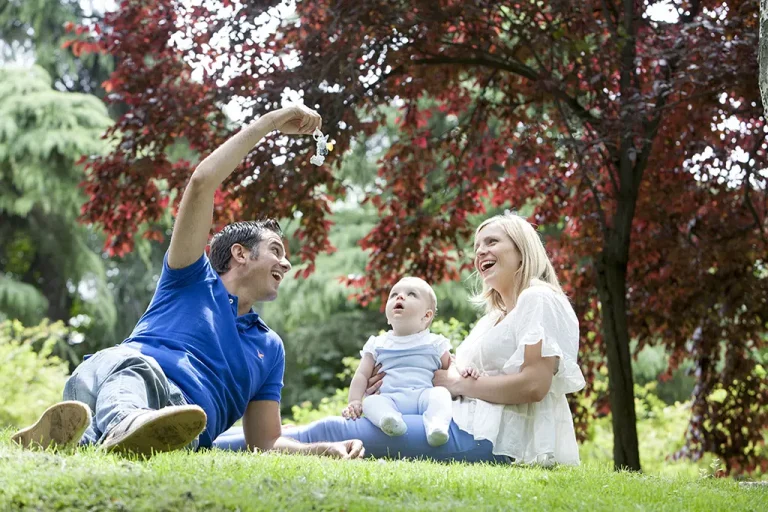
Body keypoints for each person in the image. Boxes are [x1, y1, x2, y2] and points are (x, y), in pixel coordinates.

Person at [11, 105, 364, 459]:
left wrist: (324, 449)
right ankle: (124, 424)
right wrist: (270, 123)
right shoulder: (189, 278)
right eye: (275, 250)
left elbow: (266, 441)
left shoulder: (270, 348)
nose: (286, 263)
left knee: (113, 398)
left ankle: (70, 443)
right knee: (127, 366)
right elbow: (202, 182)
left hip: (180, 423)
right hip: (116, 377)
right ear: (240, 254)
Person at [214, 213, 586, 465]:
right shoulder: (494, 319)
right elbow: (447, 377)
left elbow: (534, 385)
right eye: (477, 246)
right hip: (462, 419)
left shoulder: (538, 298)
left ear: (522, 249)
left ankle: (206, 443)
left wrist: (459, 385)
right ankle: (206, 439)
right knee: (311, 429)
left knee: (332, 431)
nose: (480, 252)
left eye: (492, 242)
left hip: (498, 435)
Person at [343, 277, 453, 446]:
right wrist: (354, 401)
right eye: (394, 294)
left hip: (423, 395)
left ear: (426, 316)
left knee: (441, 395)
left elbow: (452, 369)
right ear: (388, 317)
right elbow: (362, 375)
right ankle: (389, 420)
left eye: (411, 294)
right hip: (389, 398)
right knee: (370, 402)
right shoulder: (377, 344)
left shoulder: (435, 343)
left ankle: (437, 426)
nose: (400, 297)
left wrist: (466, 370)